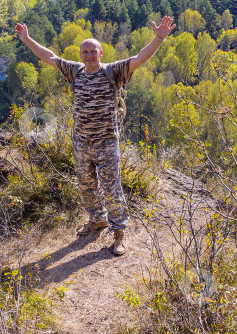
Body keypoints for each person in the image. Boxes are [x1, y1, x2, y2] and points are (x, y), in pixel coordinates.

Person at [14, 17, 176, 256]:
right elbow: (49, 56)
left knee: (112, 189)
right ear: (81, 55)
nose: (89, 55)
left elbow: (140, 58)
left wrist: (159, 37)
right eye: (85, 51)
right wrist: (27, 40)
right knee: (86, 186)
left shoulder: (114, 71)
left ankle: (119, 231)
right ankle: (97, 219)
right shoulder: (75, 71)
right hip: (81, 142)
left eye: (93, 51)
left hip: (107, 142)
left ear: (100, 53)